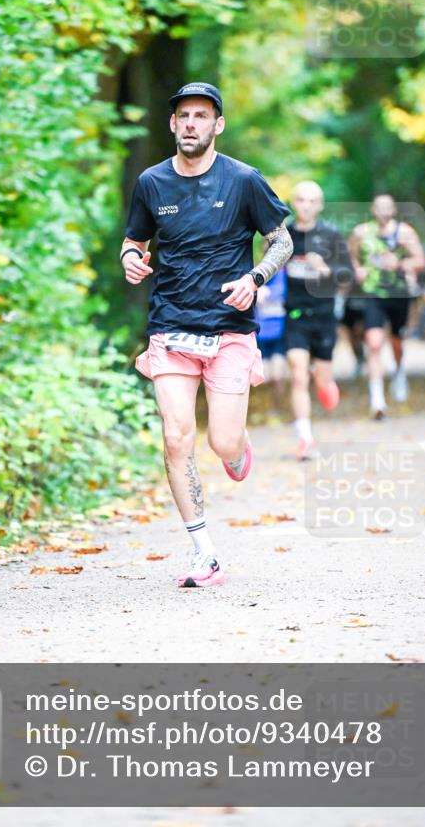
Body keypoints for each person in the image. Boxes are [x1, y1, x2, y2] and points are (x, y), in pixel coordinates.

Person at [120, 81, 292, 588]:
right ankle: (204, 553)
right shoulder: (151, 182)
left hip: (228, 331)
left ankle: (237, 447)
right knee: (176, 438)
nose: (191, 123)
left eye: (202, 115)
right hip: (171, 328)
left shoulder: (243, 180)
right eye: (184, 116)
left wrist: (255, 278)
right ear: (172, 124)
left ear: (218, 124)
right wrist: (131, 259)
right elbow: (133, 240)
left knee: (222, 441)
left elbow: (280, 240)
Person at [283, 181, 354, 459]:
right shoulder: (284, 235)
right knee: (298, 374)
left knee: (322, 382)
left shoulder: (331, 234)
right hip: (295, 315)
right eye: (301, 200)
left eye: (312, 201)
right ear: (293, 202)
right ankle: (305, 439)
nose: (307, 205)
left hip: (324, 316)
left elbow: (347, 275)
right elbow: (270, 269)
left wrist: (324, 268)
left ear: (320, 205)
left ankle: (325, 381)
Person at [348, 194, 425, 419]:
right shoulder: (362, 232)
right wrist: (358, 269)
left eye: (387, 207)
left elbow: (421, 261)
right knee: (373, 343)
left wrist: (400, 263)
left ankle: (399, 371)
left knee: (397, 342)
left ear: (393, 210)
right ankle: (377, 400)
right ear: (373, 209)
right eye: (379, 207)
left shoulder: (405, 233)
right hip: (373, 294)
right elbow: (350, 254)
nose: (383, 211)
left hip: (399, 294)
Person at [255, 265, 287, 415]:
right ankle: (265, 408)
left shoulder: (284, 275)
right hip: (260, 336)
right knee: (265, 377)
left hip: (279, 336)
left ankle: (279, 408)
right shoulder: (254, 275)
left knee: (277, 376)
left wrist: (269, 293)